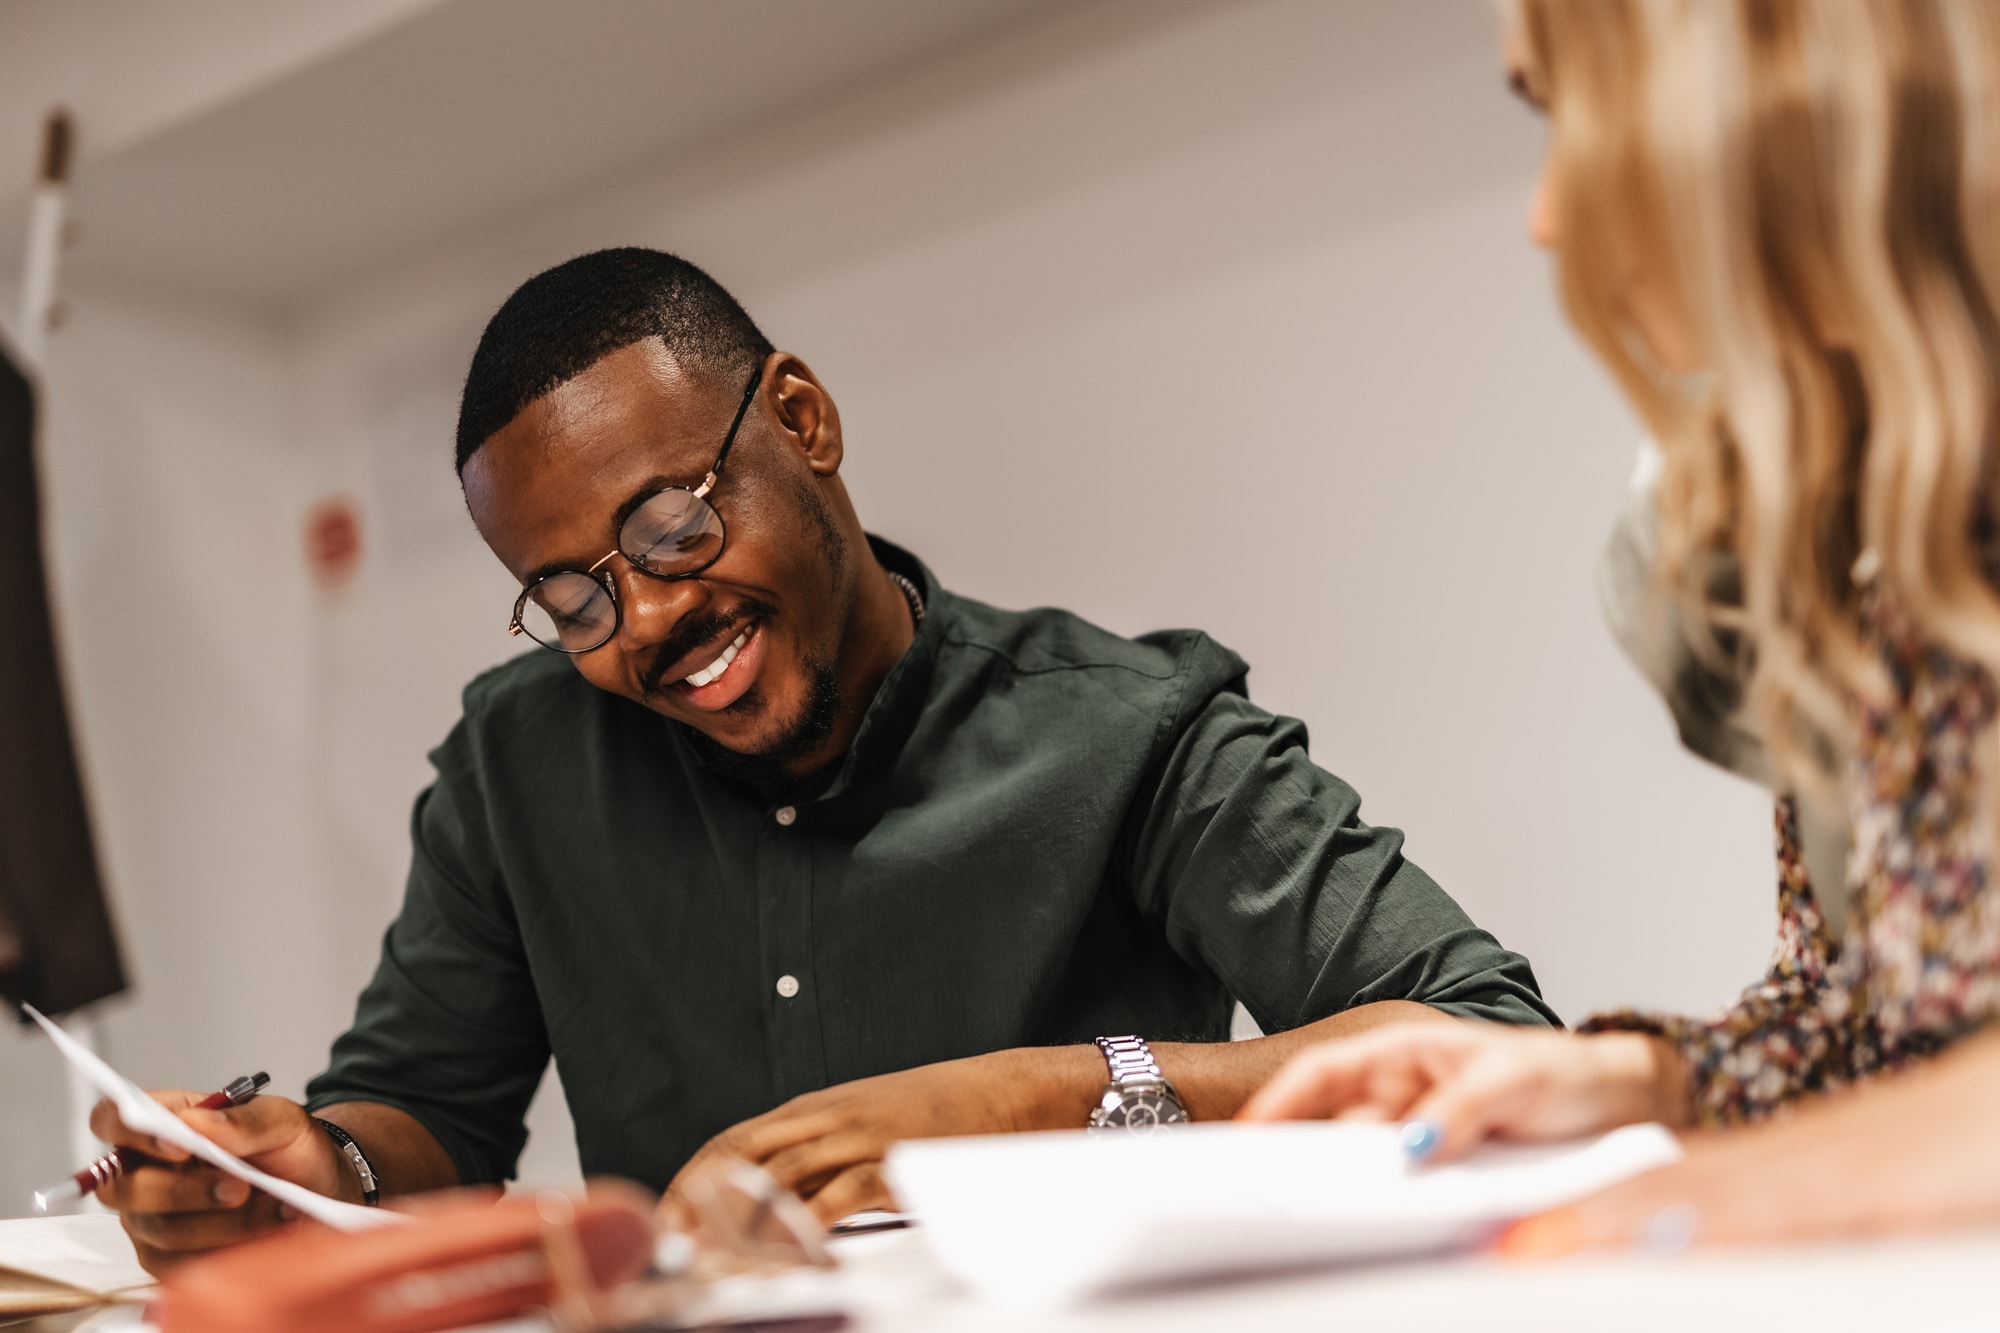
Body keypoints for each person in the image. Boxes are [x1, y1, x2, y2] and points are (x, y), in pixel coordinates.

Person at [93, 247, 1553, 1272]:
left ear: (803, 420)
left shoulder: (1129, 728)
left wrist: (1046, 1097)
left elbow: (1491, 1034)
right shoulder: (516, 763)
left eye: (672, 523)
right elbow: (427, 1112)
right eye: (577, 597)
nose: (650, 618)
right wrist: (314, 1169)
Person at [1245, 0, 2000, 1248]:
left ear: (1770, 84)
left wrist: (1716, 1197)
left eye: (1563, 116)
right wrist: (1638, 1080)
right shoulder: (1894, 497)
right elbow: (1878, 1015)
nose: (1546, 217)